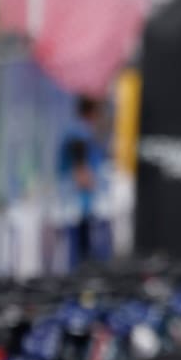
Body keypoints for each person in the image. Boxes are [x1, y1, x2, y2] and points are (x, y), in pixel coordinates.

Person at [56, 95, 111, 269]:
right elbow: (80, 165)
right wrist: (87, 178)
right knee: (80, 243)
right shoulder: (79, 131)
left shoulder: (79, 130)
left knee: (83, 241)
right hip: (79, 199)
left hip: (80, 199)